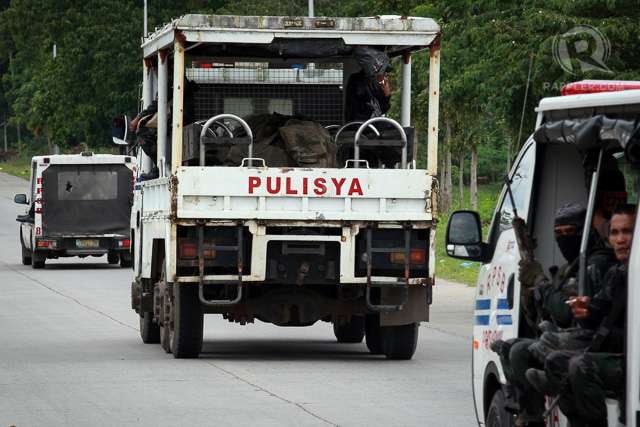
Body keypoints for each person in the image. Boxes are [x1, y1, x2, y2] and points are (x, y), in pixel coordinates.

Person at [491, 204, 617, 427]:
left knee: (525, 350)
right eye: (558, 234)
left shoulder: (596, 264)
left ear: (585, 232)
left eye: (570, 232)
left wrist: (540, 281)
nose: (564, 238)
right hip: (565, 337)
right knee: (511, 347)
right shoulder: (568, 269)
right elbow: (540, 321)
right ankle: (529, 417)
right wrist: (529, 297)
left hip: (590, 341)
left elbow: (565, 311)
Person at [530, 204, 636, 427]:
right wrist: (586, 311)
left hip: (633, 357)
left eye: (628, 231)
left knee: (581, 365)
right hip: (618, 352)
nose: (620, 239)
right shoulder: (619, 272)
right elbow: (600, 312)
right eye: (614, 232)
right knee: (556, 361)